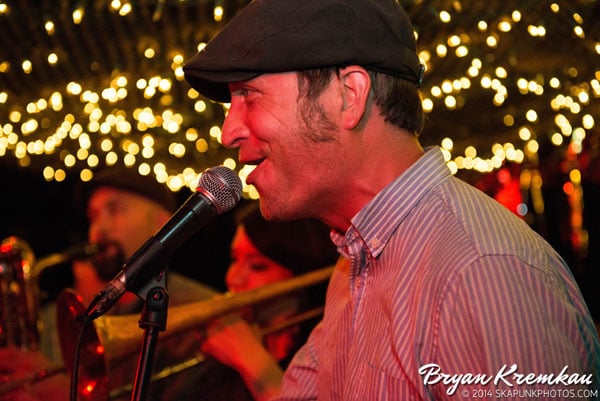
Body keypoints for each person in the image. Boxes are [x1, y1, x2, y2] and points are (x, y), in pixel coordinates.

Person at [182, 0, 600, 399]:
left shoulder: (481, 272)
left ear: (349, 96)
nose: (229, 132)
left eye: (249, 95)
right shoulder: (357, 256)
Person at [0, 168, 218, 401]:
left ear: (161, 223)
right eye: (94, 216)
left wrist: (59, 392)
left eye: (115, 210)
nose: (99, 229)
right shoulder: (78, 306)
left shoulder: (198, 311)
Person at [198, 203, 338, 401]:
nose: (234, 278)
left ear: (302, 271)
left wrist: (248, 356)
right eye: (234, 259)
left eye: (257, 266)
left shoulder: (330, 348)